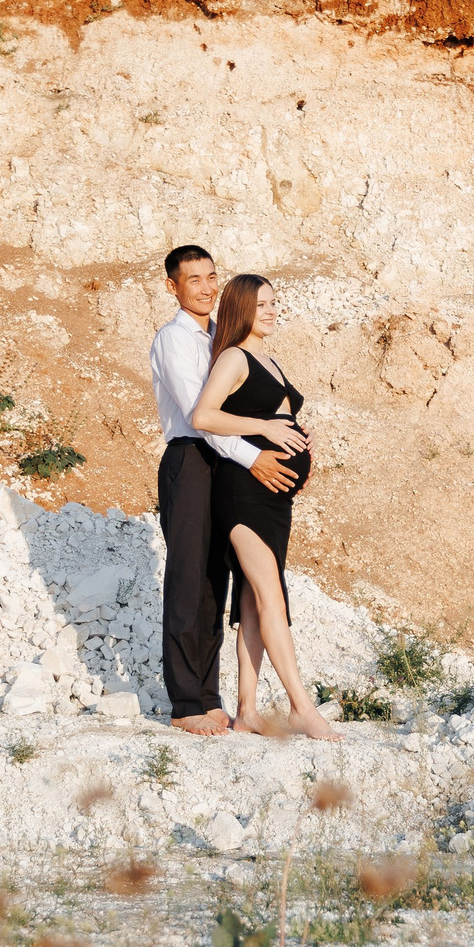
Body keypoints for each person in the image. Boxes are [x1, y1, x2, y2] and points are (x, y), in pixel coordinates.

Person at [147, 246, 299, 736]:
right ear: (174, 287)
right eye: (194, 280)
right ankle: (186, 702)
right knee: (189, 577)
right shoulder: (174, 339)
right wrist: (255, 457)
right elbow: (202, 416)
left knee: (217, 580)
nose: (207, 287)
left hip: (222, 465)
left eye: (212, 277)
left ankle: (210, 696)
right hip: (192, 459)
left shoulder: (223, 337)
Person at [192, 274, 341, 741]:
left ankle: (248, 710)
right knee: (271, 597)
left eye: (276, 303)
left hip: (276, 497)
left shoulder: (268, 359)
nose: (273, 311)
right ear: (241, 309)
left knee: (255, 602)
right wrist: (269, 428)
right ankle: (301, 707)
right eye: (263, 305)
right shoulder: (234, 356)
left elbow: (278, 422)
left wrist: (299, 440)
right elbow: (204, 416)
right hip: (244, 494)